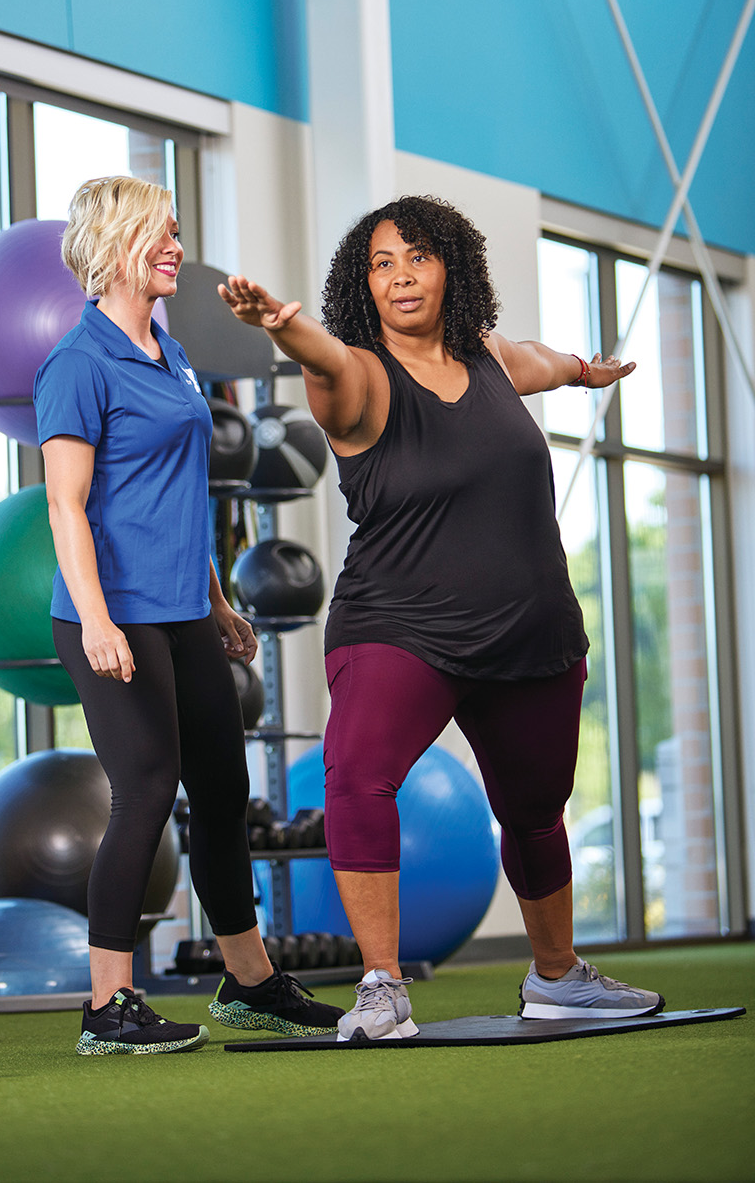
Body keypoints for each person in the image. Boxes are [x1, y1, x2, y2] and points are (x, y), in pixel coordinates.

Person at [219, 194, 665, 1041]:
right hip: (401, 626)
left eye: (416, 256)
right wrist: (285, 327)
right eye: (381, 263)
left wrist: (580, 366)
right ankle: (382, 985)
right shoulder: (356, 377)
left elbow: (527, 357)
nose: (400, 276)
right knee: (358, 775)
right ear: (365, 284)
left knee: (536, 809)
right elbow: (325, 361)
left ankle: (559, 976)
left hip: (529, 626)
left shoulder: (485, 354)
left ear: (449, 265)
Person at [33, 174, 343, 1055]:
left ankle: (250, 984)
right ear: (114, 246)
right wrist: (95, 621)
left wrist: (215, 600)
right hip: (112, 613)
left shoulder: (172, 357)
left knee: (222, 788)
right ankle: (107, 1002)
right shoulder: (78, 363)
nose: (176, 246)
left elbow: (174, 496)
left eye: (175, 230)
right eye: (160, 233)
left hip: (179, 609)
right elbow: (67, 506)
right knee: (146, 786)